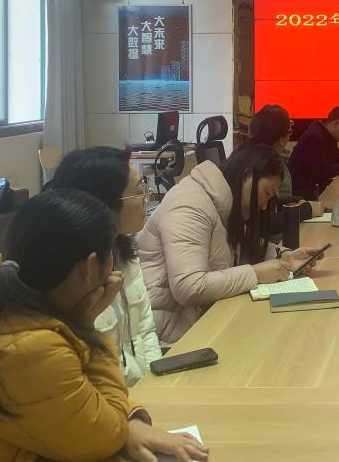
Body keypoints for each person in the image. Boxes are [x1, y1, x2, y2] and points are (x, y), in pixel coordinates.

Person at [0, 190, 209, 462]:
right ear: (89, 267)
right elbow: (106, 435)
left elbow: (73, 402)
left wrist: (131, 421)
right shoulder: (30, 348)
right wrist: (86, 326)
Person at [138, 144, 326, 346]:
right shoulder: (190, 204)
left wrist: (285, 256)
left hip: (198, 320)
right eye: (266, 193)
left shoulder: (220, 202)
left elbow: (245, 240)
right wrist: (255, 274)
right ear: (247, 177)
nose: (264, 206)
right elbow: (188, 287)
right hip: (166, 335)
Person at [46, 146, 161, 387]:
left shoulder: (124, 252)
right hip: (109, 399)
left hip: (141, 392)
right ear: (105, 204)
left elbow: (145, 330)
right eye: (139, 192)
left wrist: (156, 385)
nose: (146, 198)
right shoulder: (71, 281)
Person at [288, 105, 339, 198]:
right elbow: (323, 171)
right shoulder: (313, 137)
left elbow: (337, 156)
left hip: (316, 188)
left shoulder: (323, 132)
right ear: (336, 123)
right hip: (305, 195)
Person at [249, 103, 295, 203]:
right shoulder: (271, 166)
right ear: (281, 140)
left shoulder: (248, 156)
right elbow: (275, 205)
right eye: (289, 131)